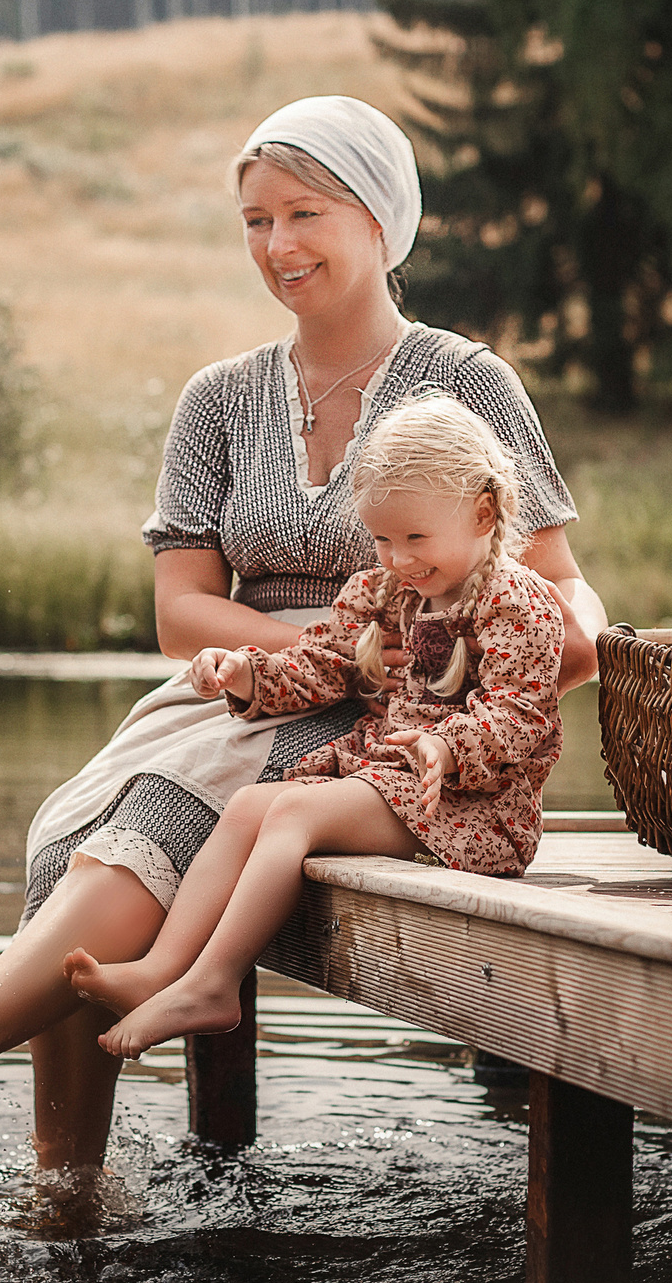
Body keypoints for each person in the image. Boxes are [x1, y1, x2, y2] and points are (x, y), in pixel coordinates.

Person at [0, 94, 606, 1158]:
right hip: (246, 680)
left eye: (304, 214)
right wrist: (326, 649)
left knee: (162, 817)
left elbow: (553, 583)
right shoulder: (219, 399)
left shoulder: (462, 383)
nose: (278, 245)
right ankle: (67, 1183)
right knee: (64, 839)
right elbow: (181, 614)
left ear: (380, 220)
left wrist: (530, 654)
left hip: (382, 711)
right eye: (256, 221)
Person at [68, 392, 563, 1060]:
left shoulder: (519, 604)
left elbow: (519, 713)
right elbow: (319, 664)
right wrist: (243, 672)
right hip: (390, 781)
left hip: (471, 807)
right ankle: (162, 971)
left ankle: (212, 984)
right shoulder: (389, 595)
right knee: (247, 806)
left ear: (482, 511)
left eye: (416, 538)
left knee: (294, 812)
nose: (399, 558)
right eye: (383, 539)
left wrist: (445, 744)